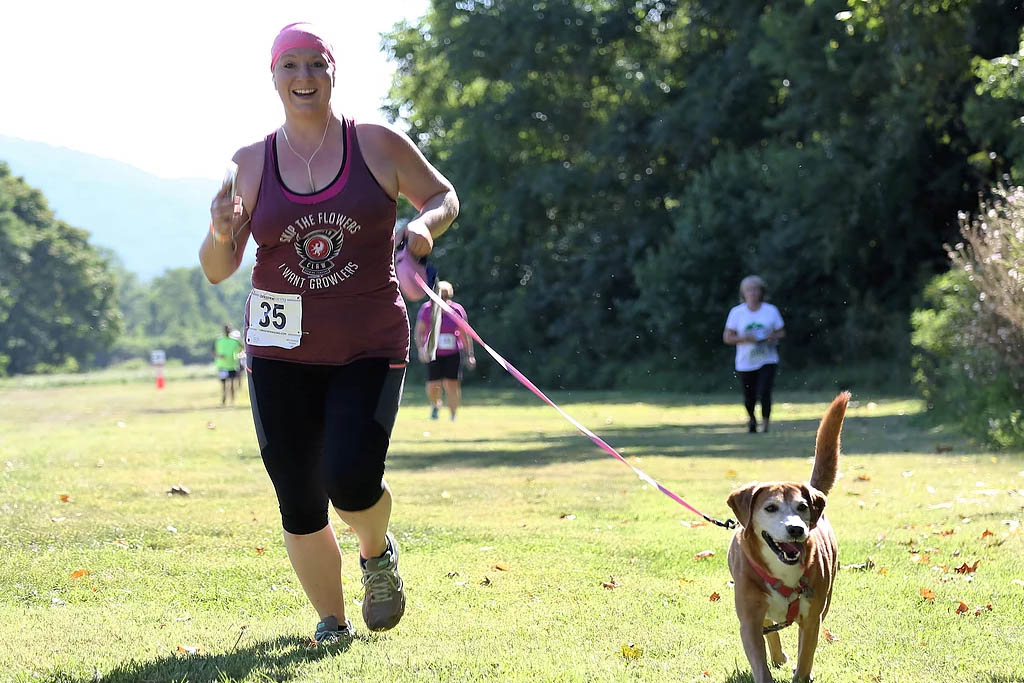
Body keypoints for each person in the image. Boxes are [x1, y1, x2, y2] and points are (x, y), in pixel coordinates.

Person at [198, 22, 458, 644]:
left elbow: (444, 196)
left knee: (349, 476)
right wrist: (221, 231)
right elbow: (217, 270)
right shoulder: (250, 163)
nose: (304, 77)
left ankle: (376, 554)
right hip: (278, 348)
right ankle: (333, 622)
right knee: (297, 490)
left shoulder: (375, 143)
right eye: (290, 66)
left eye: (316, 63)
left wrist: (424, 228)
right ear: (273, 76)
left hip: (367, 343)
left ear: (334, 70)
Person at [723, 275, 786, 433]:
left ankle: (765, 424)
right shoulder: (737, 313)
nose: (752, 293)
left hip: (768, 358)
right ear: (743, 293)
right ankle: (752, 419)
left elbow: (781, 332)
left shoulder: (770, 311)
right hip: (745, 361)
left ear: (761, 292)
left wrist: (772, 337)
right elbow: (727, 337)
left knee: (765, 391)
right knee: (749, 395)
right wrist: (744, 338)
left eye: (755, 290)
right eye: (748, 290)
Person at [414, 281, 476, 421]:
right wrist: (420, 349)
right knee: (432, 385)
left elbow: (464, 334)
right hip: (433, 353)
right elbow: (419, 332)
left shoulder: (456, 310)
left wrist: (470, 355)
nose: (442, 299)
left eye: (445, 296)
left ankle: (453, 415)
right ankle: (435, 405)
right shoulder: (427, 310)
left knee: (452, 384)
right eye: (439, 295)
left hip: (452, 354)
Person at [214, 325, 244, 405]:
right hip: (222, 366)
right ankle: (224, 400)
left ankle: (232, 401)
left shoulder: (235, 341)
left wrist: (238, 355)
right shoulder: (219, 340)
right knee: (223, 385)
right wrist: (218, 355)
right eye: (226, 330)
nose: (227, 331)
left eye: (228, 330)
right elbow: (214, 351)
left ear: (230, 331)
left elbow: (242, 349)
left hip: (232, 365)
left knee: (232, 384)